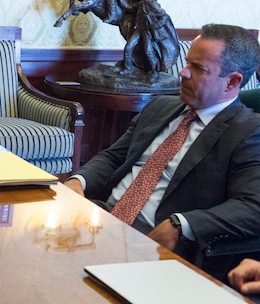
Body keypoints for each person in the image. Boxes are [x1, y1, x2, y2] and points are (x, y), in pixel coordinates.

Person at [65, 24, 260, 281]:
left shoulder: (249, 131)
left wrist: (182, 224)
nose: (183, 72)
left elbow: (252, 206)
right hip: (102, 218)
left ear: (232, 81)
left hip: (155, 242)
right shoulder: (161, 106)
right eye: (187, 62)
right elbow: (114, 157)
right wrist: (78, 182)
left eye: (198, 68)